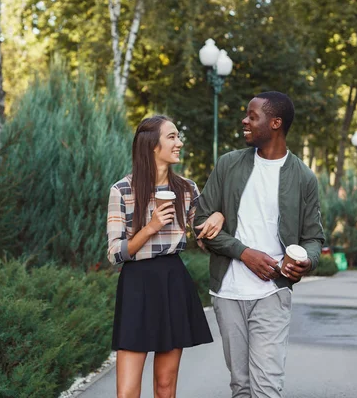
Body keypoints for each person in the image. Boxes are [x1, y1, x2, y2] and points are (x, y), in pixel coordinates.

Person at [194, 91, 325, 398]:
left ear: (275, 123)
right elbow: (201, 221)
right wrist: (245, 253)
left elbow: (314, 238)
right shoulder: (228, 165)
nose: (245, 121)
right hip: (228, 291)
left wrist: (307, 261)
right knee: (241, 386)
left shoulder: (304, 177)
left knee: (266, 387)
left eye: (253, 116)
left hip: (273, 291)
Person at [106, 115, 223, 398]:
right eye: (172, 137)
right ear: (152, 145)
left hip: (173, 282)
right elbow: (114, 253)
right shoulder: (122, 190)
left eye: (177, 136)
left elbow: (203, 238)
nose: (179, 143)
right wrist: (151, 228)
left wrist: (218, 217)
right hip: (137, 284)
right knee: (127, 392)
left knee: (165, 387)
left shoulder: (187, 189)